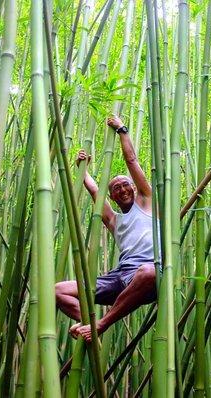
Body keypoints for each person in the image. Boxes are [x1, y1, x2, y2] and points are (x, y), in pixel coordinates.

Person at [55, 116, 157, 342]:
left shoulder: (148, 203)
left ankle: (101, 324)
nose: (122, 190)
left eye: (125, 185)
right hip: (119, 276)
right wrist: (82, 168)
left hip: (146, 276)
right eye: (116, 188)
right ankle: (88, 325)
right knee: (58, 290)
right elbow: (94, 192)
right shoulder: (114, 221)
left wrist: (122, 130)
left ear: (134, 187)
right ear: (111, 196)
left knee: (149, 273)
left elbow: (132, 161)